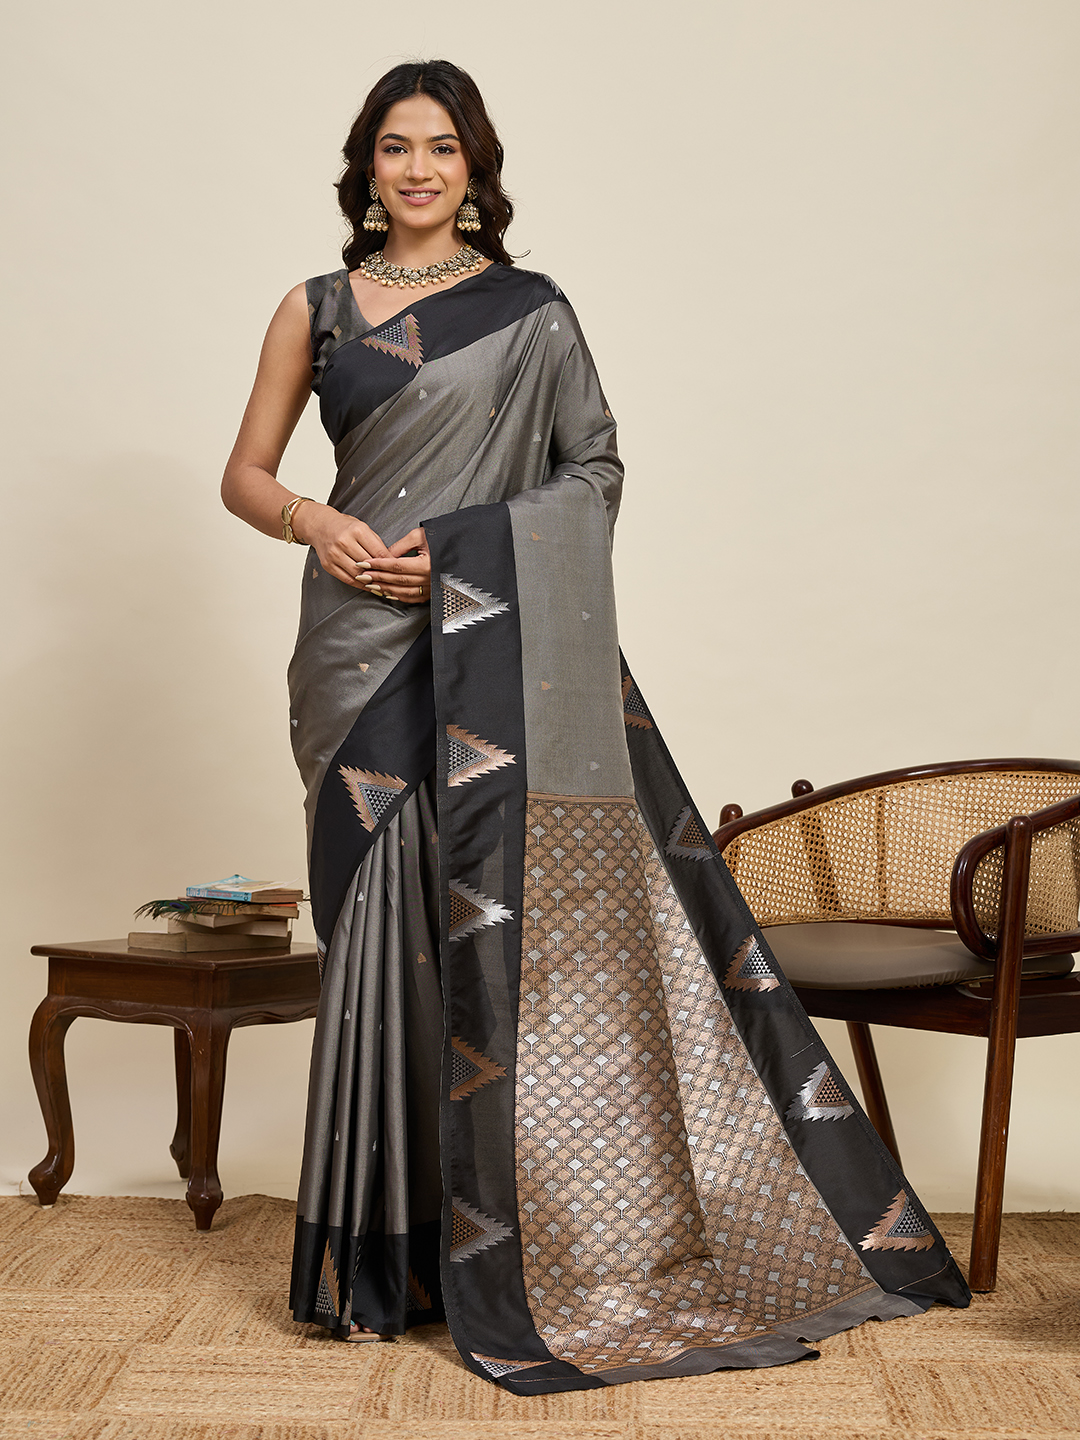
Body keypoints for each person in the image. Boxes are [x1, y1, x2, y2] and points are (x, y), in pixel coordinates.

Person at [221, 60, 969, 1394]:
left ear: (475, 166)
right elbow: (245, 473)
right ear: (365, 166)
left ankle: (494, 1249)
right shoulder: (315, 307)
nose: (416, 170)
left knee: (474, 919)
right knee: (377, 919)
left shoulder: (533, 314)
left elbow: (595, 471)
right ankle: (378, 1256)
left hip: (479, 644)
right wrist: (316, 523)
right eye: (394, 147)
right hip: (351, 648)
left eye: (440, 147)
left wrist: (463, 556)